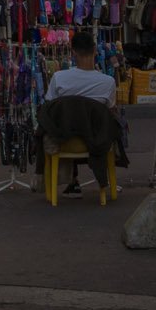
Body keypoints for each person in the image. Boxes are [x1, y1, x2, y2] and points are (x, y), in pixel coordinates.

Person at [45, 30, 119, 196]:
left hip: (65, 140)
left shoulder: (59, 78)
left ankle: (68, 180)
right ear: (95, 51)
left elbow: (50, 107)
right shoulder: (108, 82)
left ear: (73, 52)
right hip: (96, 141)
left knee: (64, 121)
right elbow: (110, 109)